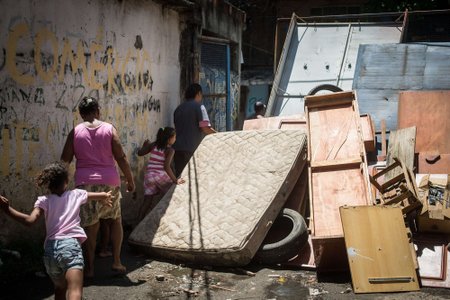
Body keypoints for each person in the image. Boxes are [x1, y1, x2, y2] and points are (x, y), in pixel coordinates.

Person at [0, 162, 112, 300]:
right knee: (75, 291)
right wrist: (106, 196)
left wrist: (7, 209)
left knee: (60, 289)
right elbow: (97, 195)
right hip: (70, 247)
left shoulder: (44, 200)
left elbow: (29, 221)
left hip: (51, 251)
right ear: (66, 181)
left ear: (48, 184)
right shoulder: (75, 194)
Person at [60, 96, 135, 277]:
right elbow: (121, 157)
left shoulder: (75, 131)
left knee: (90, 225)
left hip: (85, 184)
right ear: (98, 110)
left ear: (81, 114)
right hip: (109, 182)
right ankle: (116, 262)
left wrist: (61, 185)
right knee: (115, 219)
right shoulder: (109, 129)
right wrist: (130, 179)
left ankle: (90, 269)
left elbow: (65, 160)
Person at [136, 127, 185, 222]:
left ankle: (137, 224)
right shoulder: (170, 150)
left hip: (149, 177)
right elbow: (167, 167)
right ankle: (170, 220)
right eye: (175, 137)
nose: (175, 139)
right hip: (160, 176)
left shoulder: (153, 145)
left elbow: (140, 153)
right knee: (171, 195)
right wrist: (176, 180)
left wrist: (145, 146)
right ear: (169, 138)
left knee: (146, 202)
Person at [173, 83, 216, 177]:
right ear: (199, 94)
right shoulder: (199, 107)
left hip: (177, 151)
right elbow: (205, 128)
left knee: (180, 180)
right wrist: (219, 135)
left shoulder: (178, 109)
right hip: (192, 150)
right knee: (194, 178)